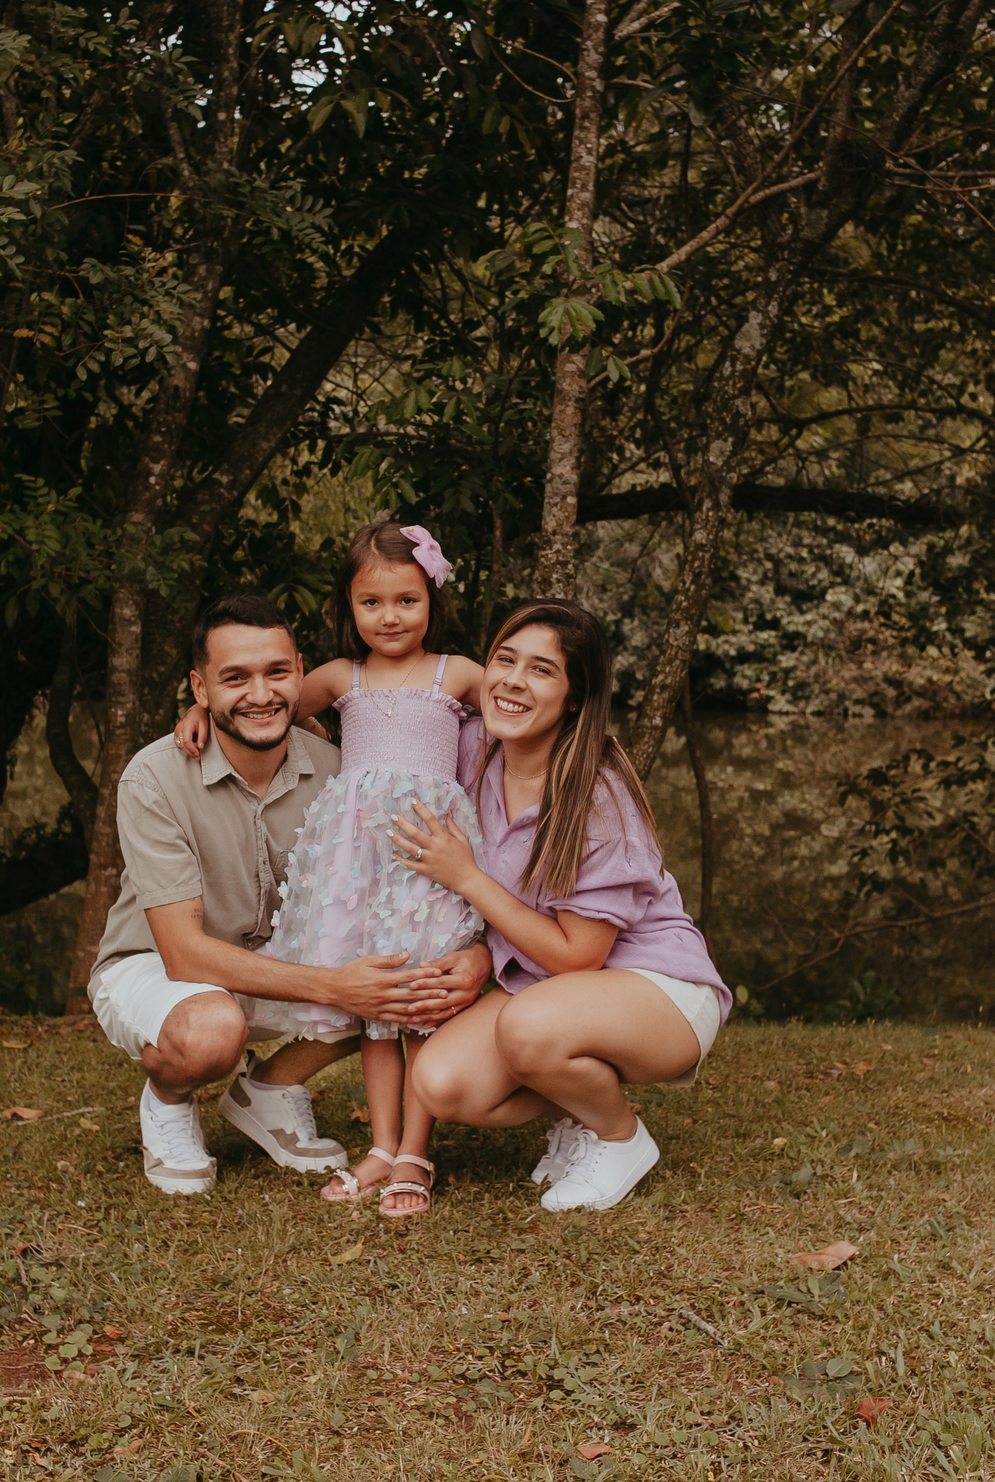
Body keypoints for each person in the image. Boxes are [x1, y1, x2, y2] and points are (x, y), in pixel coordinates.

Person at [88, 591, 491, 1196]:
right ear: (200, 688)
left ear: (301, 673)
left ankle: (268, 1089)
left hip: (279, 960)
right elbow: (184, 954)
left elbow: (398, 902)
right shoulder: (155, 777)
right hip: (161, 967)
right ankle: (169, 1099)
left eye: (276, 672)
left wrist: (473, 955)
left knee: (396, 979)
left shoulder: (344, 772)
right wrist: (334, 986)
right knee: (212, 1028)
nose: (260, 693)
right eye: (234, 678)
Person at [176, 522, 487, 1219]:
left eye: (406, 600)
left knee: (418, 1001)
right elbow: (268, 702)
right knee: (374, 1009)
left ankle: (415, 1149)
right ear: (349, 606)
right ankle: (381, 1145)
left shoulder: (460, 674)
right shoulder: (343, 677)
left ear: (432, 599)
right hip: (360, 865)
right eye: (371, 602)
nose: (389, 617)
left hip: (428, 858)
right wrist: (196, 708)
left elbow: (525, 711)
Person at [400, 600, 732, 1213]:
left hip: (658, 988)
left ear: (575, 697)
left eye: (542, 670)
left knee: (527, 1029)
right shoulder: (473, 750)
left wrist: (468, 878)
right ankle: (579, 1113)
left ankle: (620, 1137)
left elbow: (580, 956)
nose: (513, 681)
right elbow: (378, 729)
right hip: (548, 988)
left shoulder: (596, 795)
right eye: (505, 660)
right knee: (443, 1084)